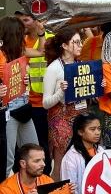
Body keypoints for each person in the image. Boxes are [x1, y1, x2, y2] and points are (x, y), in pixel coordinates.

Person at [42, 28, 87, 180]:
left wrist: (98, 87)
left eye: (80, 42)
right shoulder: (53, 68)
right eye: (76, 42)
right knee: (60, 167)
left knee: (80, 161)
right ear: (65, 46)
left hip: (80, 117)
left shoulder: (81, 65)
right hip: (60, 121)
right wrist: (60, 92)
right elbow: (45, 103)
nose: (80, 45)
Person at [15, 11, 53, 176]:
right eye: (19, 21)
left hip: (45, 100)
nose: (22, 24)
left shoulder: (50, 38)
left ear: (36, 21)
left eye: (25, 19)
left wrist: (41, 33)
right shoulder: (17, 42)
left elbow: (42, 52)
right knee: (21, 147)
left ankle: (42, 177)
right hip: (22, 102)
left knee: (42, 144)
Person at [0, 17, 39, 177]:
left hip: (23, 106)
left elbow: (40, 52)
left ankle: (27, 186)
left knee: (34, 150)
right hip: (6, 111)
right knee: (7, 160)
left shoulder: (20, 53)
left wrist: (25, 79)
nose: (24, 37)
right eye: (21, 34)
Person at [0, 144, 72, 194]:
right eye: (37, 161)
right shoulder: (6, 189)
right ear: (23, 164)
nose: (43, 164)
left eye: (43, 160)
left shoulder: (47, 181)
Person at [60, 114, 104, 194]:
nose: (97, 133)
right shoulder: (71, 157)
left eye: (99, 129)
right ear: (80, 132)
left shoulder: (101, 151)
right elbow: (70, 188)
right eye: (92, 129)